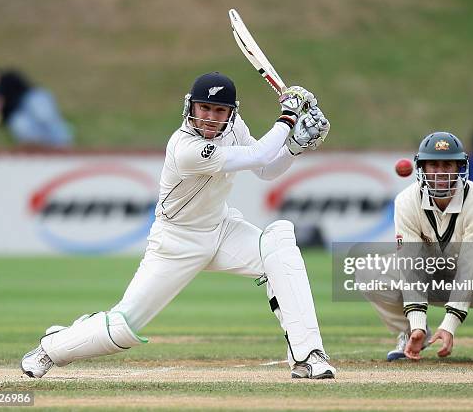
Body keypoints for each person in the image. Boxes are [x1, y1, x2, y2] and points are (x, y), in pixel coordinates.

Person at [20, 72, 335, 379]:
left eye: (219, 110)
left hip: (222, 230)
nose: (211, 117)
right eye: (205, 108)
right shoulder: (185, 148)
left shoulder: (235, 127)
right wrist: (289, 116)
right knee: (122, 325)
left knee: (279, 246)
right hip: (176, 243)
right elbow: (258, 154)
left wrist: (294, 147)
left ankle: (308, 356)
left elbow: (266, 168)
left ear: (231, 112)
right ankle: (52, 347)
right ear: (191, 108)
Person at [357, 132, 473, 363]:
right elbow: (410, 264)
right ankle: (412, 333)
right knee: (369, 272)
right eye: (433, 164)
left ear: (460, 167)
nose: (441, 172)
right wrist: (417, 322)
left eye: (448, 164)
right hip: (431, 277)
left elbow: (469, 266)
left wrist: (449, 326)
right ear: (421, 168)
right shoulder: (406, 201)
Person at [0, 64, 72, 148]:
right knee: (23, 128)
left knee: (43, 115)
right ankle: (45, 150)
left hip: (29, 99)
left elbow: (15, 88)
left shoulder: (7, 77)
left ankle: (64, 146)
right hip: (16, 115)